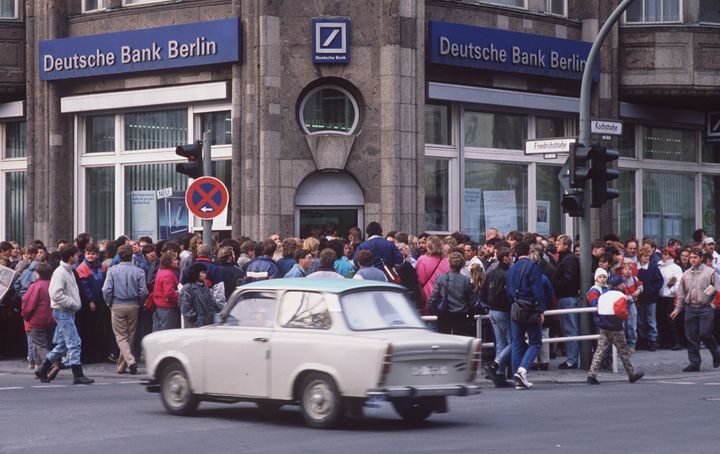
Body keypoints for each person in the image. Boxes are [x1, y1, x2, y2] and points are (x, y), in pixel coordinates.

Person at [35, 246, 94, 385]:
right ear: (70, 257)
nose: (78, 256)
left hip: (66, 311)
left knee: (62, 345)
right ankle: (77, 374)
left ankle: (43, 369)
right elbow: (55, 293)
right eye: (76, 254)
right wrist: (72, 303)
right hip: (63, 311)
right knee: (74, 342)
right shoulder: (61, 272)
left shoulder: (68, 271)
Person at [586, 271, 644, 385]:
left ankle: (591, 375)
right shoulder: (620, 295)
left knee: (600, 351)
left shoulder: (603, 295)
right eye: (621, 284)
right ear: (618, 285)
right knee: (624, 351)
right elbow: (620, 310)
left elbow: (597, 307)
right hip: (615, 326)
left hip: (604, 325)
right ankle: (631, 374)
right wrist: (626, 317)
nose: (623, 286)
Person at [671, 248, 720, 372]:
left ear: (701, 258)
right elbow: (681, 293)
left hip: (705, 307)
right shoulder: (686, 274)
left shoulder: (710, 272)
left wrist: (714, 304)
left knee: (705, 333)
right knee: (691, 336)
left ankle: (716, 353)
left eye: (695, 257)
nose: (692, 259)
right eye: (691, 257)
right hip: (690, 308)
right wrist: (678, 308)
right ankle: (694, 362)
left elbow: (718, 288)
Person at [505, 241, 545, 390]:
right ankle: (522, 371)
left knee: (516, 342)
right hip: (530, 307)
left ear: (515, 253)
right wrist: (541, 309)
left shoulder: (510, 269)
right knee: (535, 342)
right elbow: (537, 290)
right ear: (529, 251)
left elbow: (508, 292)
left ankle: (518, 378)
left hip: (515, 307)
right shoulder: (532, 266)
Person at [102, 245, 147, 375]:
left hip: (117, 304)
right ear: (131, 255)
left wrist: (108, 302)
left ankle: (130, 361)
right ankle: (122, 366)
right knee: (130, 335)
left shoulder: (112, 271)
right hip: (133, 304)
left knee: (121, 337)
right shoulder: (139, 271)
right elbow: (143, 291)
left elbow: (106, 290)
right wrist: (139, 302)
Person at [482, 246, 513, 387]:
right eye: (510, 256)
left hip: (491, 310)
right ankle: (496, 365)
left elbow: (482, 292)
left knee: (500, 342)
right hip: (502, 310)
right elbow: (505, 295)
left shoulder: (491, 272)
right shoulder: (506, 274)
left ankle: (499, 373)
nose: (512, 258)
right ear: (505, 257)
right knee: (513, 341)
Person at [552, 234, 580, 369]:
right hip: (565, 296)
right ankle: (571, 358)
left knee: (570, 328)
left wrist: (556, 285)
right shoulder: (565, 258)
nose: (556, 244)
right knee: (568, 328)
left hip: (567, 297)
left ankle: (572, 359)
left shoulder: (569, 259)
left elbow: (569, 279)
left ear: (566, 245)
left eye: (559, 243)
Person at [428, 252, 473, 335]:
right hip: (461, 315)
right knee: (460, 341)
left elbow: (433, 297)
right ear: (462, 264)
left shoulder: (441, 278)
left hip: (444, 313)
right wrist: (471, 316)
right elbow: (471, 301)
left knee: (445, 341)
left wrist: (434, 311)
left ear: (449, 263)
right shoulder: (466, 280)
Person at [21, 263, 55, 369]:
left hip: (38, 320)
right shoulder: (53, 285)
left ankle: (51, 363)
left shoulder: (35, 286)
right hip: (53, 319)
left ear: (37, 274)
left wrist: (26, 317)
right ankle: (40, 369)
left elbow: (28, 304)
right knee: (48, 344)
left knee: (39, 345)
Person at [636, 246, 663, 351]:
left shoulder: (653, 267)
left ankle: (652, 340)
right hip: (639, 298)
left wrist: (653, 290)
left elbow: (659, 281)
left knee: (651, 320)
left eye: (648, 256)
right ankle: (642, 339)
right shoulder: (636, 268)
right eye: (645, 256)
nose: (647, 258)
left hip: (651, 298)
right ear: (640, 257)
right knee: (640, 320)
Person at [416, 235, 450, 316]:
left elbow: (419, 279)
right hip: (443, 299)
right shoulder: (448, 261)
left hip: (426, 297)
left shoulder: (422, 259)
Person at [657, 247, 683, 350]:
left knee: (671, 320)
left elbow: (678, 282)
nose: (664, 256)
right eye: (663, 253)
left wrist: (672, 291)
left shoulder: (676, 268)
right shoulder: (659, 266)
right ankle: (664, 341)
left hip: (670, 297)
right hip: (660, 296)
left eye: (666, 254)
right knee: (661, 319)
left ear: (671, 256)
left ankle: (676, 342)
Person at [180, 263, 217, 328]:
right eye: (202, 273)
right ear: (196, 274)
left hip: (207, 324)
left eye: (205, 272)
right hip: (194, 325)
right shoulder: (187, 288)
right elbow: (186, 308)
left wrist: (211, 316)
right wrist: (195, 318)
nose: (205, 275)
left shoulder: (205, 287)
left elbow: (211, 303)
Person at [151, 252, 181, 331]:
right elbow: (169, 293)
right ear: (169, 262)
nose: (177, 261)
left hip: (159, 306)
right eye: (175, 260)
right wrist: (178, 299)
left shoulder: (161, 271)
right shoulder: (168, 275)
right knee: (167, 333)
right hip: (167, 308)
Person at [619, 259, 642, 352]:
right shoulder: (619, 280)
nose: (628, 271)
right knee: (622, 326)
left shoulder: (634, 279)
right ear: (622, 270)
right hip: (622, 305)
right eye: (626, 269)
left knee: (631, 326)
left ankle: (632, 344)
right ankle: (622, 345)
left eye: (630, 269)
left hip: (631, 304)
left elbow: (640, 286)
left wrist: (638, 291)